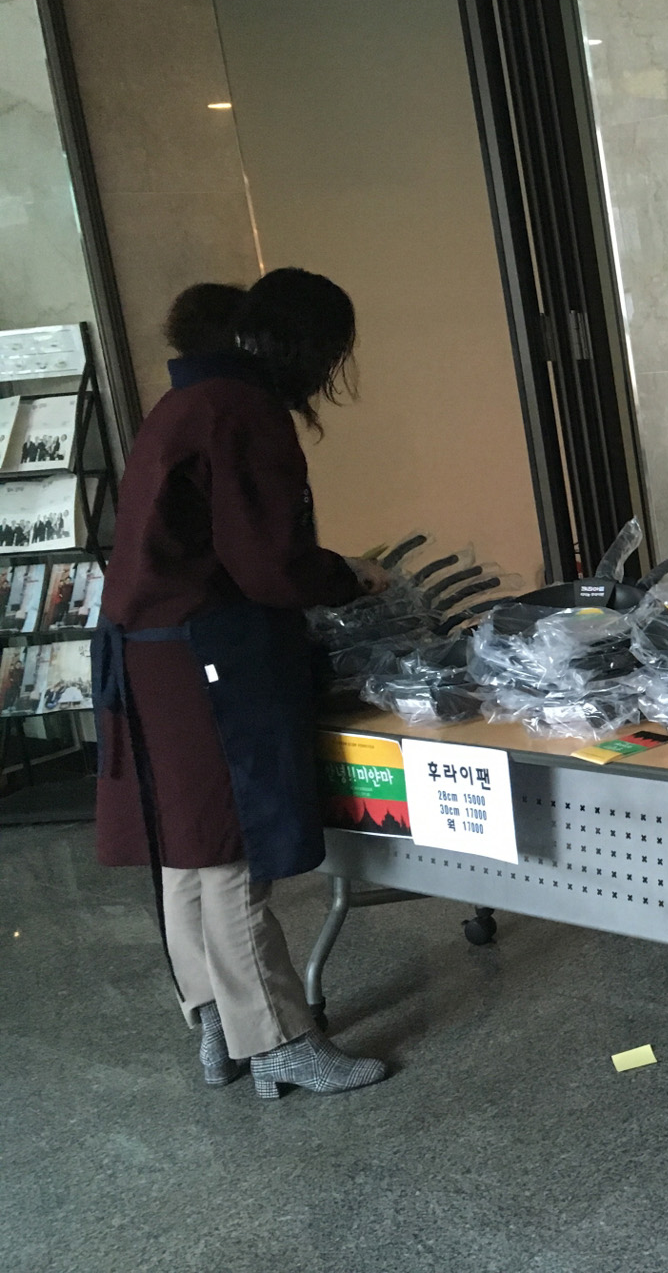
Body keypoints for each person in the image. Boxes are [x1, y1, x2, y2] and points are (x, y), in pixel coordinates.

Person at [94, 270, 393, 1098]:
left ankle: (217, 1026)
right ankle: (278, 1040)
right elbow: (267, 565)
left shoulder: (183, 403)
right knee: (231, 848)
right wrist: (348, 576)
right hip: (206, 655)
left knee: (186, 846)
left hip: (150, 655)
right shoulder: (241, 410)